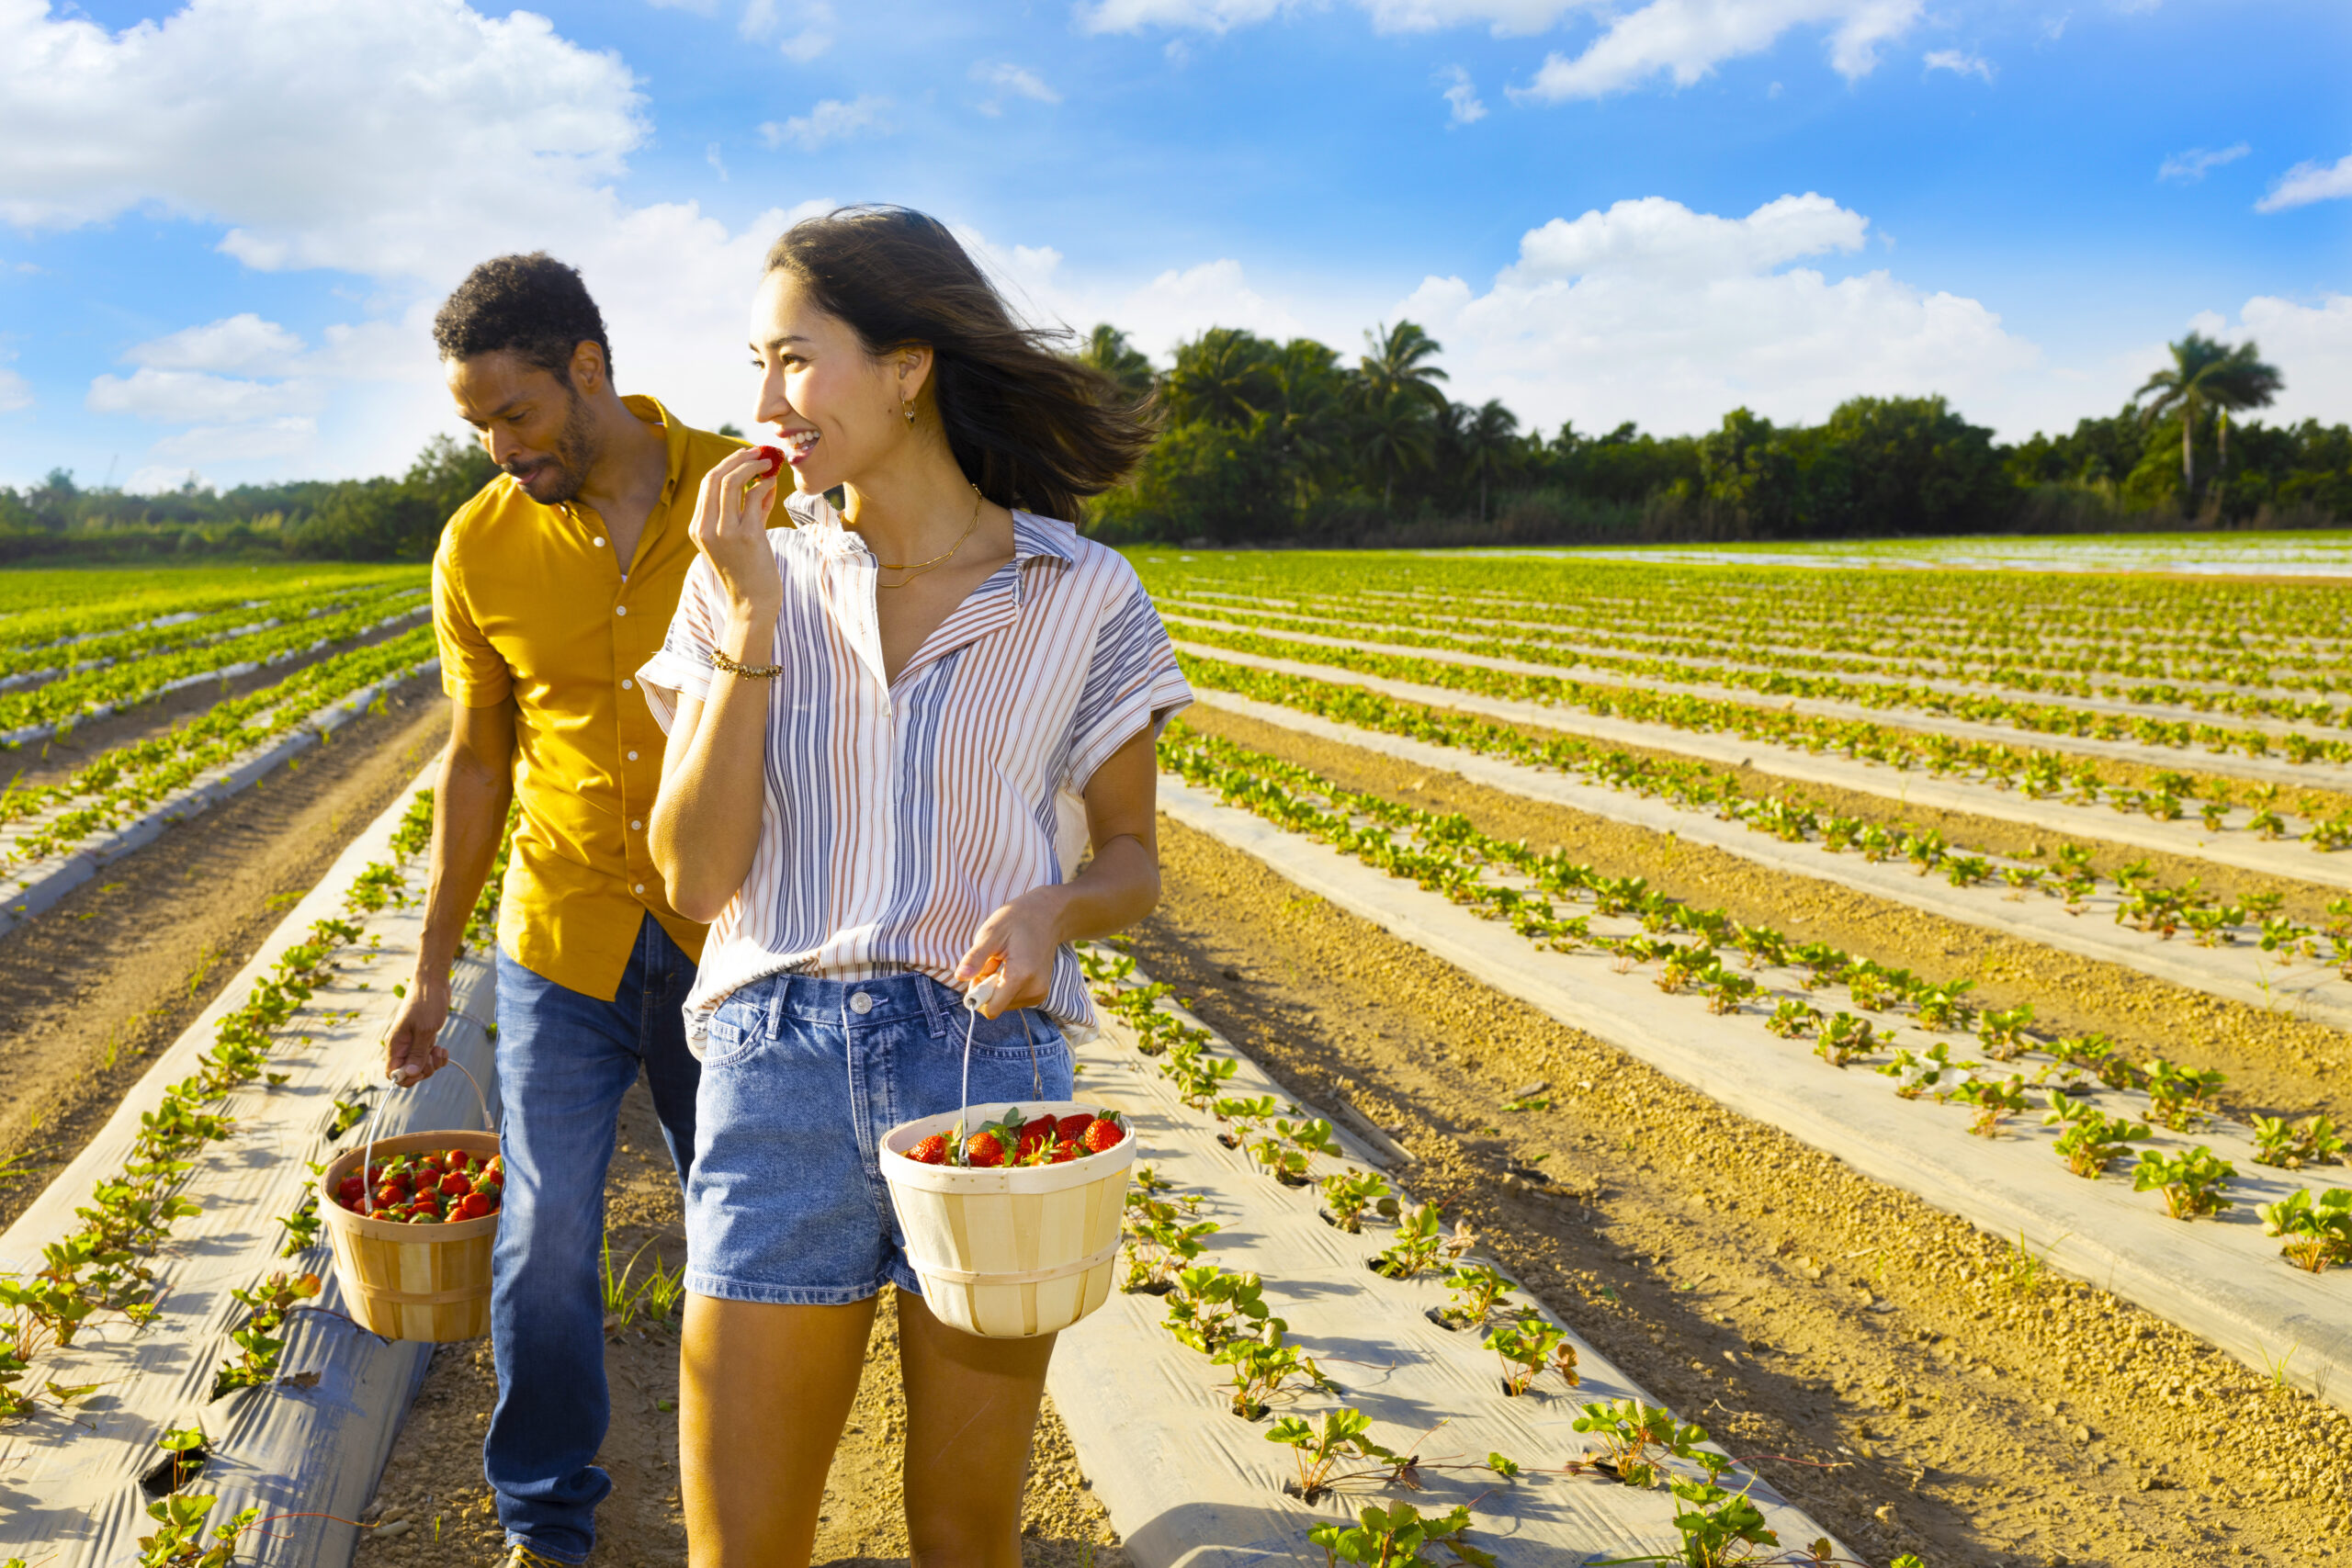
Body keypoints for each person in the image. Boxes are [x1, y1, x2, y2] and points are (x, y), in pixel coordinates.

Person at [638, 205, 1189, 1568]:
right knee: (742, 1551)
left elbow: (1130, 856)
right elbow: (697, 879)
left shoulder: (1082, 591)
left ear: (907, 366)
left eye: (794, 360)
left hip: (987, 1067)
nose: (763, 402)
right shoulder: (737, 583)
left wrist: (1053, 909)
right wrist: (755, 618)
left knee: (965, 1540)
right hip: (775, 1070)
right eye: (756, 366)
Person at [383, 252, 789, 1568]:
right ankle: (547, 1521)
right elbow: (477, 759)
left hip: (729, 932)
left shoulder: (756, 492)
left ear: (589, 370)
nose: (501, 449)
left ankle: (746, 1503)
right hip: (560, 933)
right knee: (549, 1226)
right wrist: (434, 967)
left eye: (517, 413)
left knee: (737, 1218)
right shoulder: (477, 544)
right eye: (476, 427)